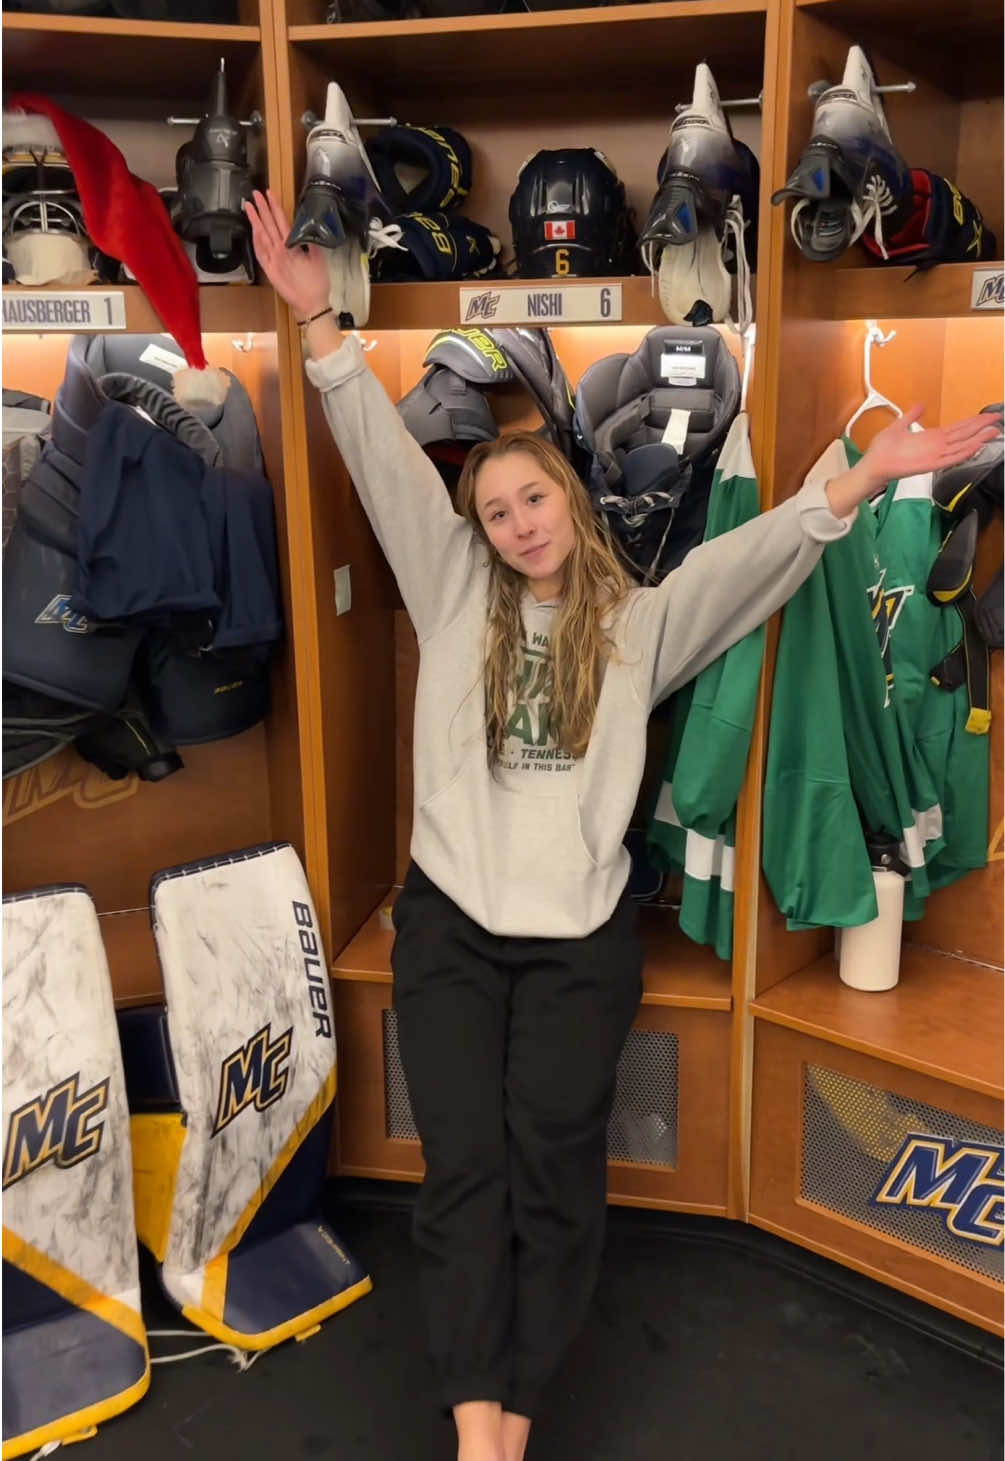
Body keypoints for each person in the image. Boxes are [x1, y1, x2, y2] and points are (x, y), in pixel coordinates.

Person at [244, 188, 1000, 1461]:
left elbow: (748, 564)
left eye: (534, 500)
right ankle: (477, 1431)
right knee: (463, 1180)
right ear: (477, 531)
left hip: (577, 946)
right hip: (452, 931)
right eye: (495, 512)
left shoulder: (639, 625)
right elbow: (379, 464)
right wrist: (323, 335)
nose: (518, 524)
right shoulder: (448, 595)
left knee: (553, 1185)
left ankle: (512, 1425)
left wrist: (855, 483)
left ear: (572, 504)